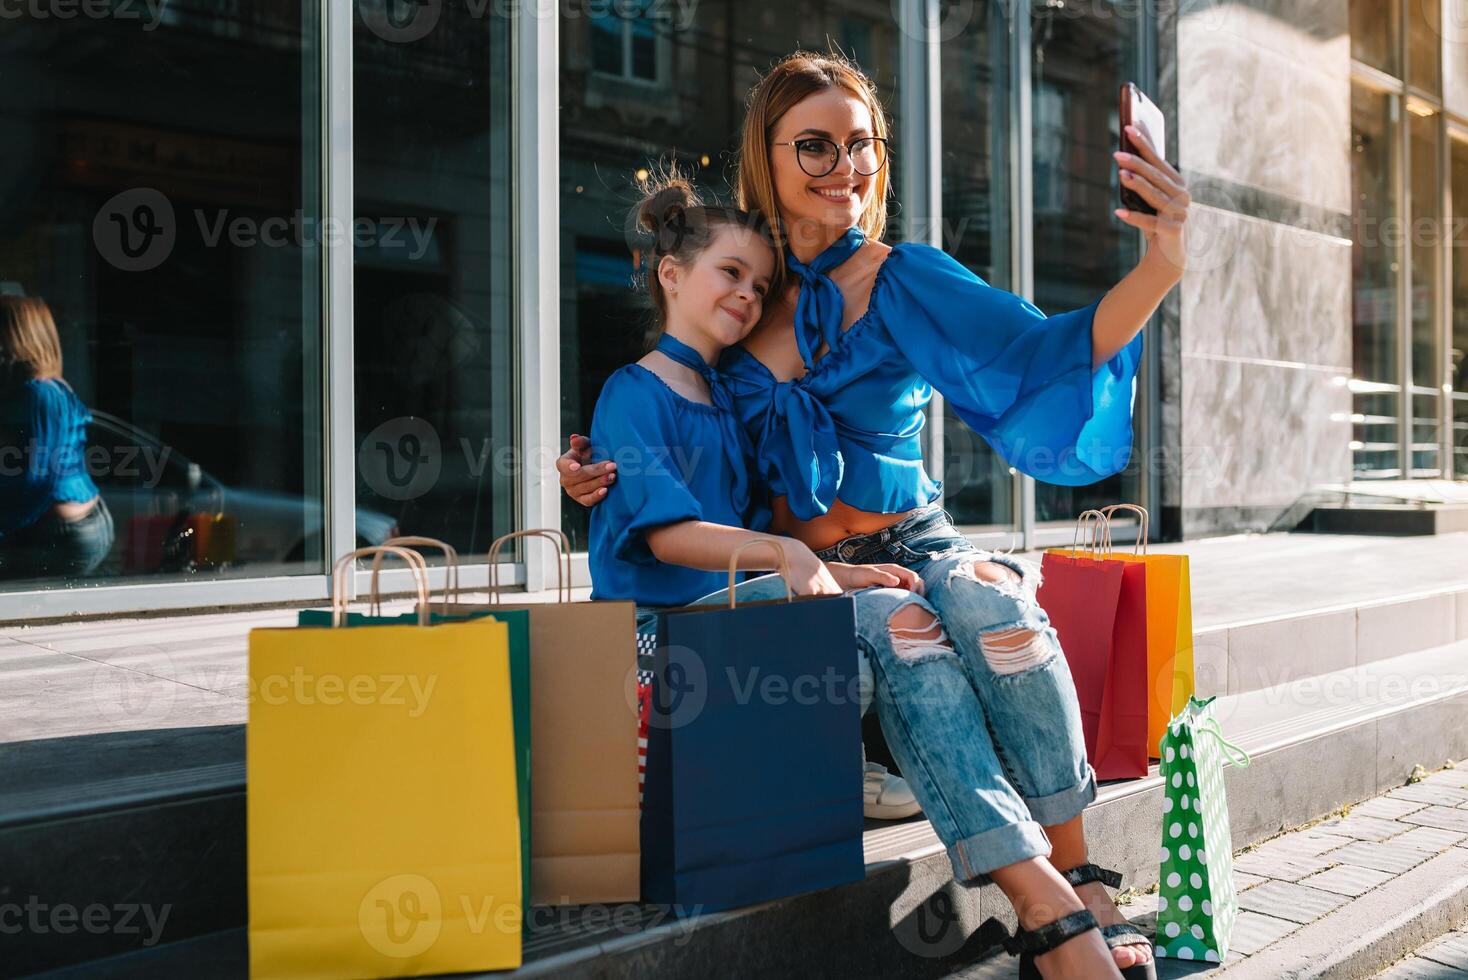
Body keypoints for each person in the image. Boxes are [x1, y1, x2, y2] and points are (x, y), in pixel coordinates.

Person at [563, 51, 1191, 980]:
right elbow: (667, 429)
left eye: (860, 144)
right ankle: (1043, 914)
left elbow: (1042, 357)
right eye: (812, 145)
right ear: (765, 157)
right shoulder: (737, 281)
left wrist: (1164, 261)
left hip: (912, 539)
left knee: (997, 611)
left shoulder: (905, 278)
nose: (843, 166)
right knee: (909, 633)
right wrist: (589, 477)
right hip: (806, 582)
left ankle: (1076, 870)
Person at [591, 170, 925, 821]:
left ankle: (830, 764)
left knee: (886, 606)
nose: (747, 294)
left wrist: (836, 568)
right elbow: (670, 537)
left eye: (760, 285)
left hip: (723, 616)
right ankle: (827, 773)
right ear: (672, 276)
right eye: (731, 272)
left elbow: (746, 539)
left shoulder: (724, 400)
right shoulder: (632, 393)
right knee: (841, 648)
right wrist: (789, 558)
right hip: (649, 640)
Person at [0, 296, 114, 580]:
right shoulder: (52, 387)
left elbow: (37, 477)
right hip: (75, 524)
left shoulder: (38, 394)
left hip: (64, 534)